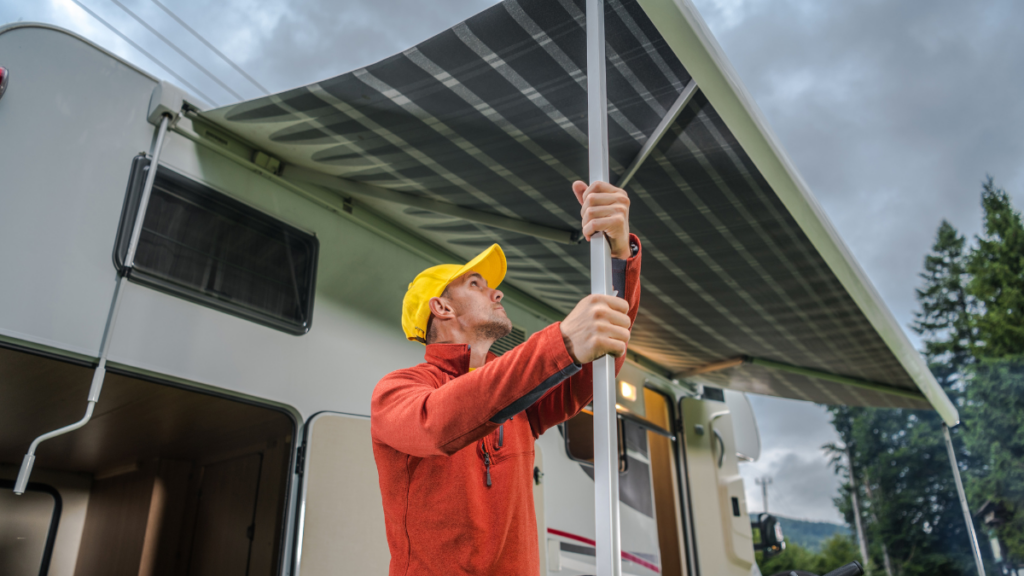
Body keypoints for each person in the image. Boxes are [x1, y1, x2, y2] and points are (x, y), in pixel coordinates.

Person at [370, 180, 642, 575]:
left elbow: (606, 341)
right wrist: (561, 340)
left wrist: (619, 256)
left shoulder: (519, 401)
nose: (497, 294)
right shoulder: (398, 390)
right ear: (442, 307)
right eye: (476, 285)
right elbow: (436, 423)